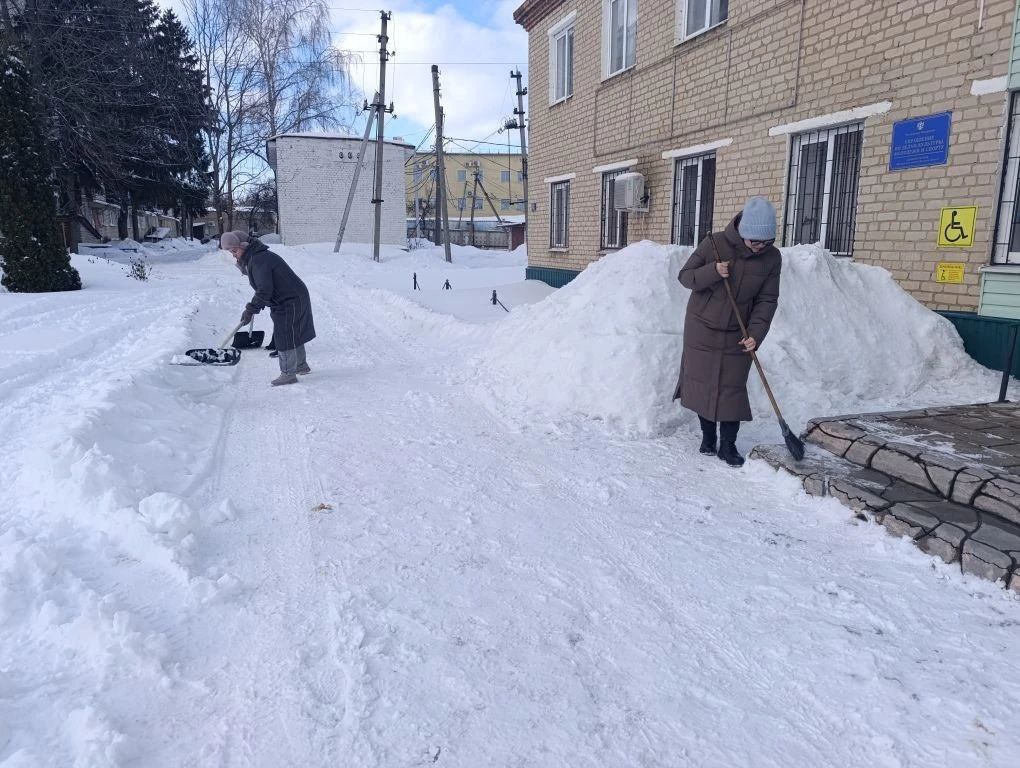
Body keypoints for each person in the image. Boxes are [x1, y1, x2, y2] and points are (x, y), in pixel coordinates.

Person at [673, 197, 782, 467]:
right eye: (755, 241)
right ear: (743, 231)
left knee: (732, 389)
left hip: (739, 331)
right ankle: (708, 438)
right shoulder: (714, 244)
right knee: (703, 385)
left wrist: (756, 334)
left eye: (766, 242)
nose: (760, 247)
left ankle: (728, 445)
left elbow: (767, 300)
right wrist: (712, 271)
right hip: (702, 327)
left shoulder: (772, 258)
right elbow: (686, 276)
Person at [220, 230, 316, 386]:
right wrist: (252, 308)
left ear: (244, 246)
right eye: (231, 252)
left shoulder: (259, 259)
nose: (234, 255)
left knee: (285, 334)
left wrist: (251, 309)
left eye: (234, 251)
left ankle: (288, 374)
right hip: (291, 297)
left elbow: (264, 290)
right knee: (293, 331)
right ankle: (301, 366)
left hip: (289, 300)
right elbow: (263, 286)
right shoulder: (256, 257)